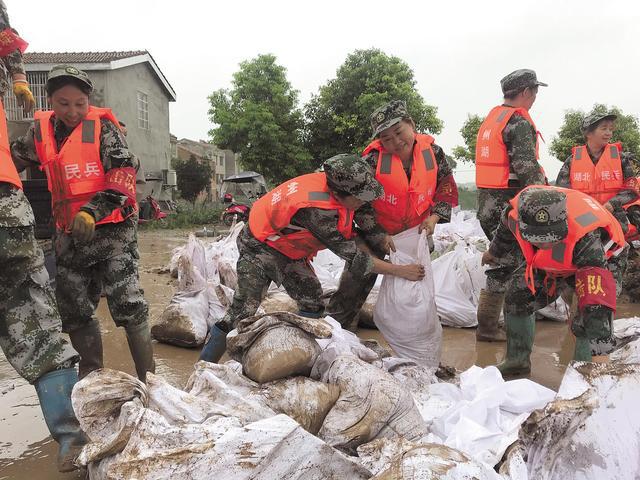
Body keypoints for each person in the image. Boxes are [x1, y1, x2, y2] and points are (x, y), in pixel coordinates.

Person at [199, 154, 426, 362]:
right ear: (338, 194)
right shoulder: (317, 211)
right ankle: (204, 366)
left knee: (312, 299)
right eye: (359, 197)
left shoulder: (344, 186)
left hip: (289, 249)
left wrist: (381, 236)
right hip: (260, 246)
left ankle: (297, 353)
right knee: (242, 311)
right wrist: (401, 270)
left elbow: (364, 213)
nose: (363, 201)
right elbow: (356, 258)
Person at [11, 65, 155, 382]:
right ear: (50, 101)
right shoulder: (40, 133)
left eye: (80, 103)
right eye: (64, 103)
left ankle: (149, 379)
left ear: (88, 101)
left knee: (128, 305)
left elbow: (123, 174)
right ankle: (91, 374)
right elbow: (12, 161)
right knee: (73, 308)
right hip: (68, 234)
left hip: (113, 232)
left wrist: (92, 211)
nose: (73, 111)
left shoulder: (104, 129)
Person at [0, 3, 86, 472]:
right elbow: (7, 38)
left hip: (49, 224)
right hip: (8, 210)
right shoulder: (37, 131)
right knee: (38, 328)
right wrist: (13, 70)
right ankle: (71, 438)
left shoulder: (101, 131)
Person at [326, 100, 458, 327]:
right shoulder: (372, 161)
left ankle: (413, 336)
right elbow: (361, 203)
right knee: (354, 285)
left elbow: (445, 187)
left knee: (415, 287)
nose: (396, 142)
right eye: (386, 138)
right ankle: (340, 332)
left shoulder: (434, 153)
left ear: (411, 124)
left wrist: (434, 218)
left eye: (398, 132)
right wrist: (378, 235)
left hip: (417, 233)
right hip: (378, 234)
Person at [482, 186, 627, 376]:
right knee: (518, 293)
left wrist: (601, 366)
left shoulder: (587, 239)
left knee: (587, 312)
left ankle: (585, 372)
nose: (545, 245)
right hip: (555, 262)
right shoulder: (512, 215)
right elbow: (503, 237)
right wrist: (492, 254)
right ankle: (516, 362)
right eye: (537, 239)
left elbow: (597, 308)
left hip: (606, 260)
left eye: (551, 238)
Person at [474, 69, 548, 342]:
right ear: (526, 92)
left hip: (487, 206)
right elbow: (526, 169)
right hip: (509, 207)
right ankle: (491, 329)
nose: (536, 98)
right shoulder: (518, 122)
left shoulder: (493, 119)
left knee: (501, 262)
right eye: (535, 92)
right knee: (511, 268)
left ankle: (490, 326)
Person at [555, 110, 640, 245]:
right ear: (589, 133)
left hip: (614, 217)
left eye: (610, 129)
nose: (609, 133)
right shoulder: (572, 161)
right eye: (604, 128)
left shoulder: (620, 158)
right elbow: (562, 192)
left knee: (616, 253)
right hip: (584, 219)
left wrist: (613, 203)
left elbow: (632, 190)